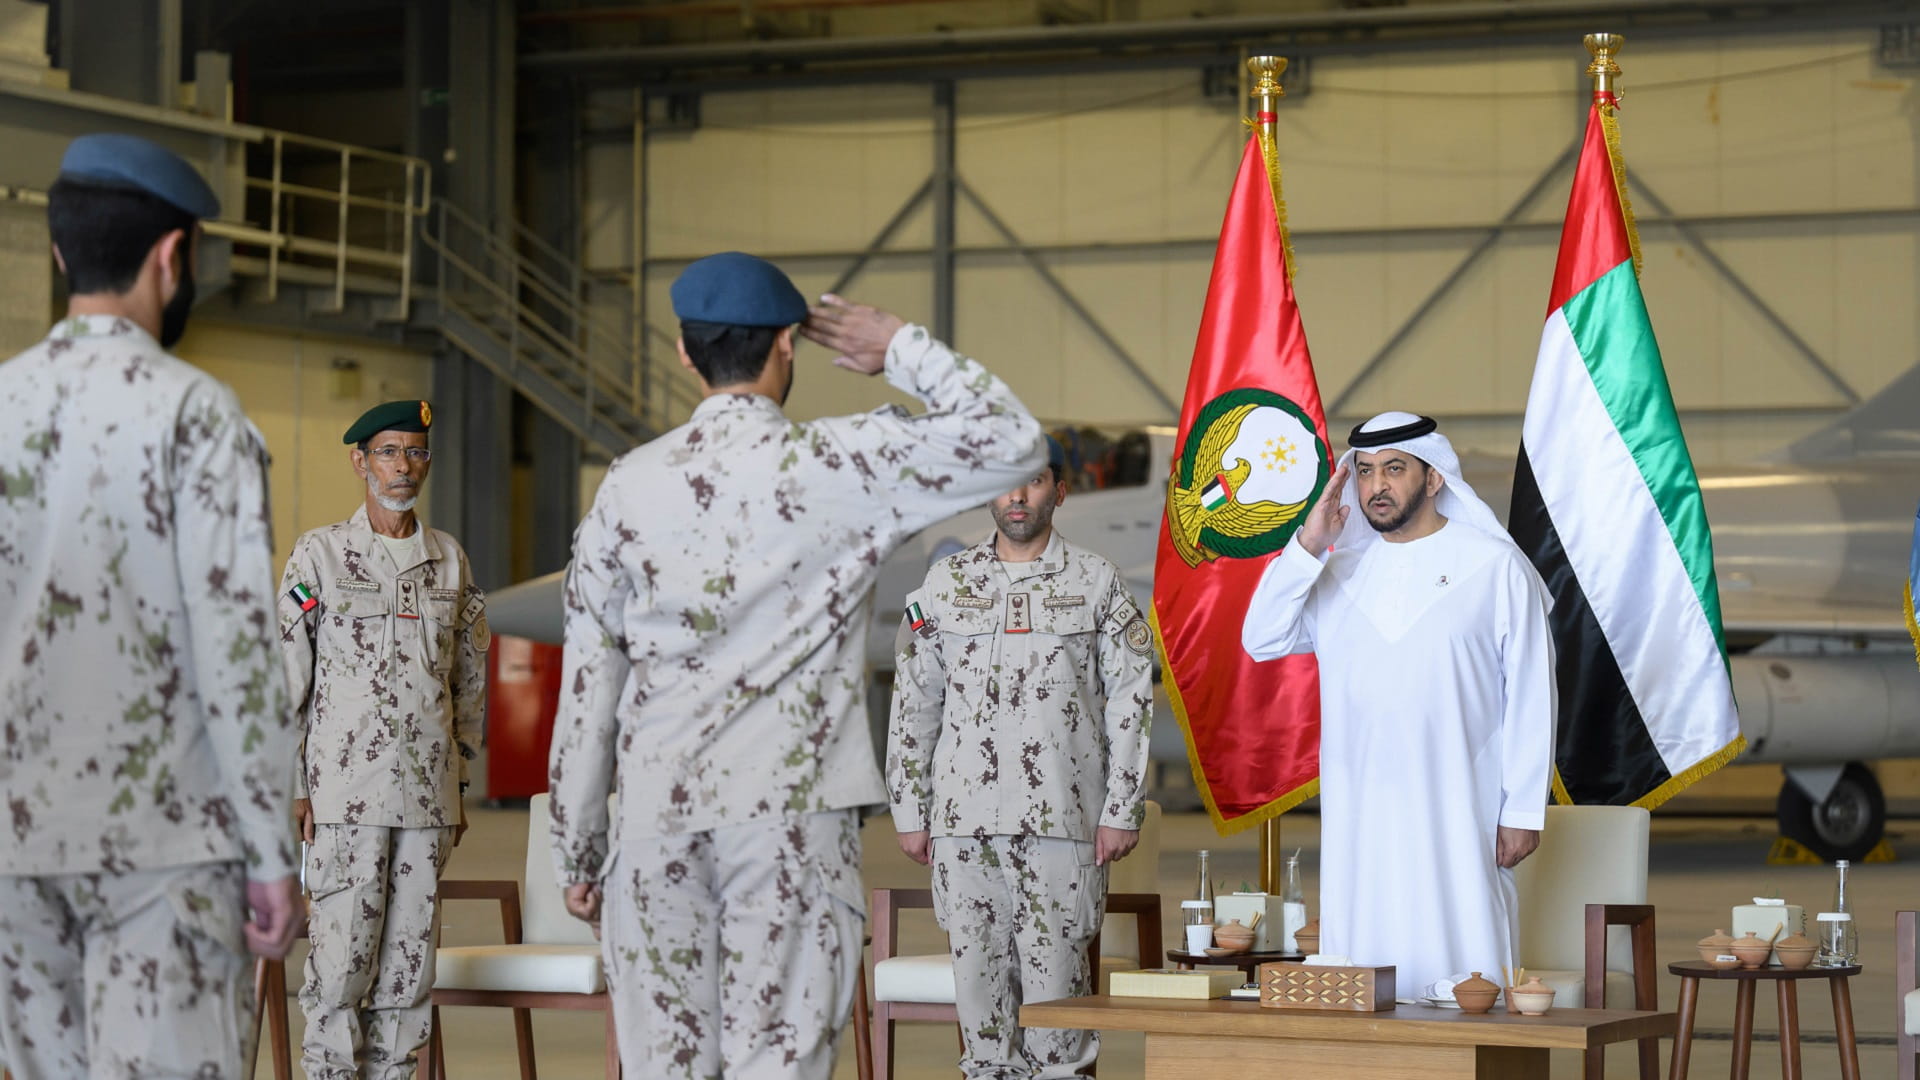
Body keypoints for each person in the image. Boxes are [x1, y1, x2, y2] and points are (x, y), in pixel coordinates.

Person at [548, 251, 1045, 1079]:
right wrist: (901, 346)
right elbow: (1016, 442)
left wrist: (577, 847)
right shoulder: (844, 463)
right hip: (790, 818)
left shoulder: (628, 487)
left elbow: (589, 683)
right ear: (788, 343)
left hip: (654, 823)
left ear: (685, 351)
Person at [0, 134, 302, 1077]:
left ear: (60, 253)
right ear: (173, 256)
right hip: (164, 850)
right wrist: (271, 852)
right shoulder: (196, 413)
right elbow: (236, 651)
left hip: (14, 848)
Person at [1240, 411, 1554, 998]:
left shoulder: (1492, 564)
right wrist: (1308, 544)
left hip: (1460, 803)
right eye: (1364, 472)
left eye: (1393, 469)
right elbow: (1261, 637)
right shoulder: (1336, 571)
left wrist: (1522, 809)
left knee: (1464, 960)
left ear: (1433, 477)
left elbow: (1533, 691)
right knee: (1367, 962)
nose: (1376, 485)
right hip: (1361, 814)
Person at [888, 436, 1153, 1080]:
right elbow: (914, 699)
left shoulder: (1096, 581)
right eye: (1005, 482)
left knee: (1058, 1021)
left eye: (1033, 481)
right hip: (963, 828)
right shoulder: (946, 584)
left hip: (1062, 824)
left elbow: (1131, 698)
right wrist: (910, 810)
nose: (1017, 495)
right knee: (983, 1028)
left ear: (1058, 491)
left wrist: (1121, 809)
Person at [277, 400, 488, 1079]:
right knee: (340, 971)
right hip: (345, 799)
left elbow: (467, 683)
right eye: (390, 452)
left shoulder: (448, 561)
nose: (404, 466)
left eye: (416, 452)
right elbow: (288, 681)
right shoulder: (319, 556)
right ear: (360, 461)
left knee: (407, 977)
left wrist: (458, 785)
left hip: (426, 803)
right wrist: (293, 788)